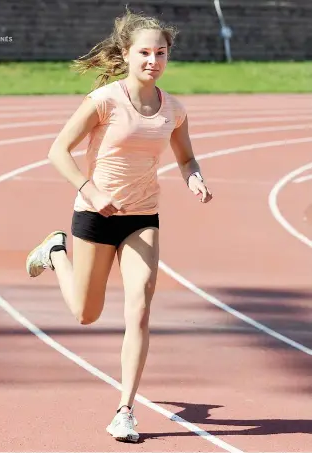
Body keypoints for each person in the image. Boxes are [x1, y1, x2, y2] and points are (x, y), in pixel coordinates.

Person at [25, 8, 213, 443]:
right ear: (127, 54)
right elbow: (57, 150)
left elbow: (186, 157)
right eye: (144, 52)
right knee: (85, 314)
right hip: (94, 215)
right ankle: (56, 252)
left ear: (168, 56)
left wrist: (195, 178)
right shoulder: (104, 101)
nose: (153, 60)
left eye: (160, 53)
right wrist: (89, 190)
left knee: (141, 308)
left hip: (141, 219)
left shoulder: (174, 110)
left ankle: (125, 409)